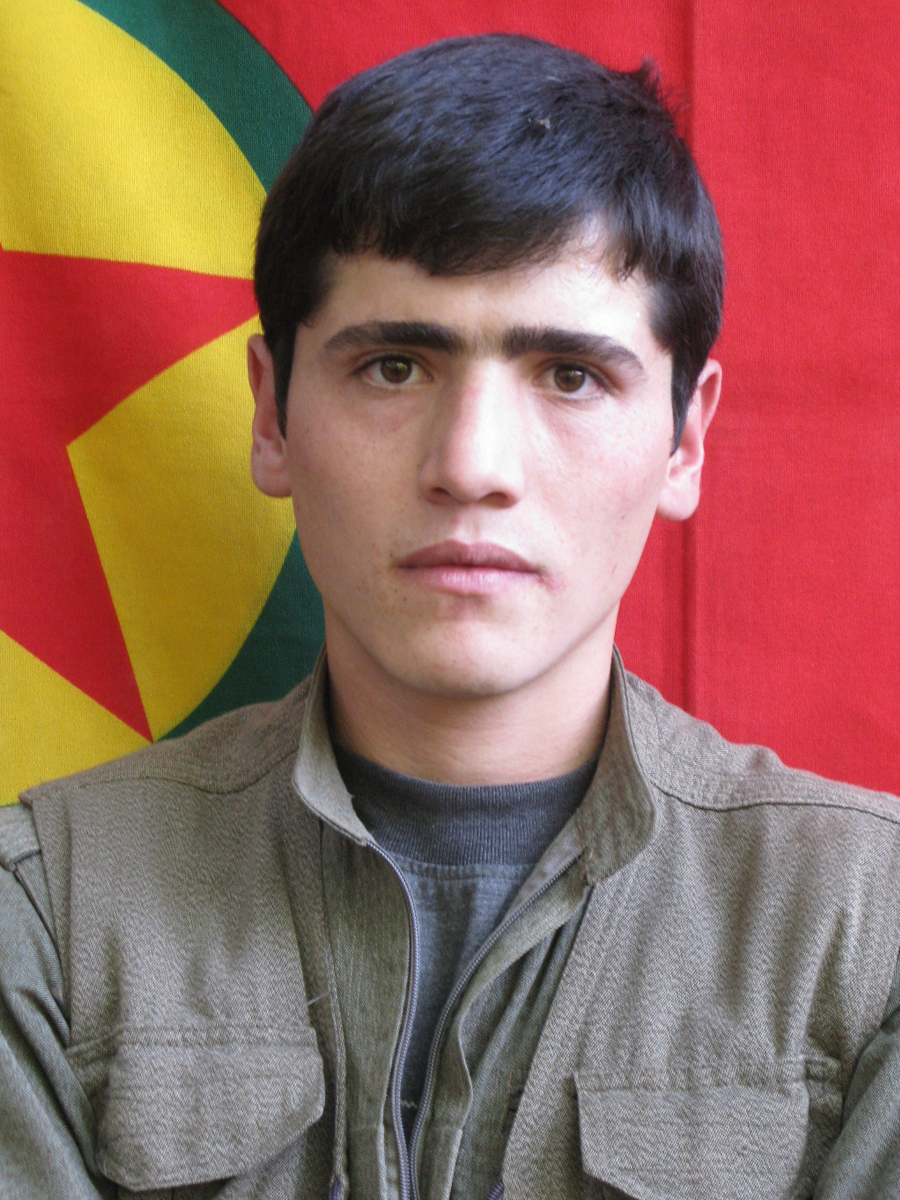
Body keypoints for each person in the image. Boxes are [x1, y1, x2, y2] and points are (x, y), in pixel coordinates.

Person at [2, 34, 899, 1200]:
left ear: (686, 439)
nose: (472, 465)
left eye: (570, 375)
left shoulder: (869, 935)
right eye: (394, 367)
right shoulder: (48, 913)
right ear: (272, 417)